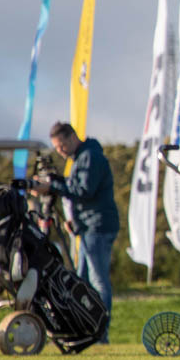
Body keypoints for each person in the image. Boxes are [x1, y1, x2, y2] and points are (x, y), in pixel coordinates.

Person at [32, 121, 119, 342]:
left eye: (61, 146)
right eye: (56, 148)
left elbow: (83, 190)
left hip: (97, 227)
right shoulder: (82, 157)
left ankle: (101, 333)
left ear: (72, 137)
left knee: (98, 282)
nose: (60, 151)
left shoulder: (89, 157)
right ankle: (88, 329)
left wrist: (52, 186)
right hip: (87, 226)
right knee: (83, 282)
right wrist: (54, 182)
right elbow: (76, 186)